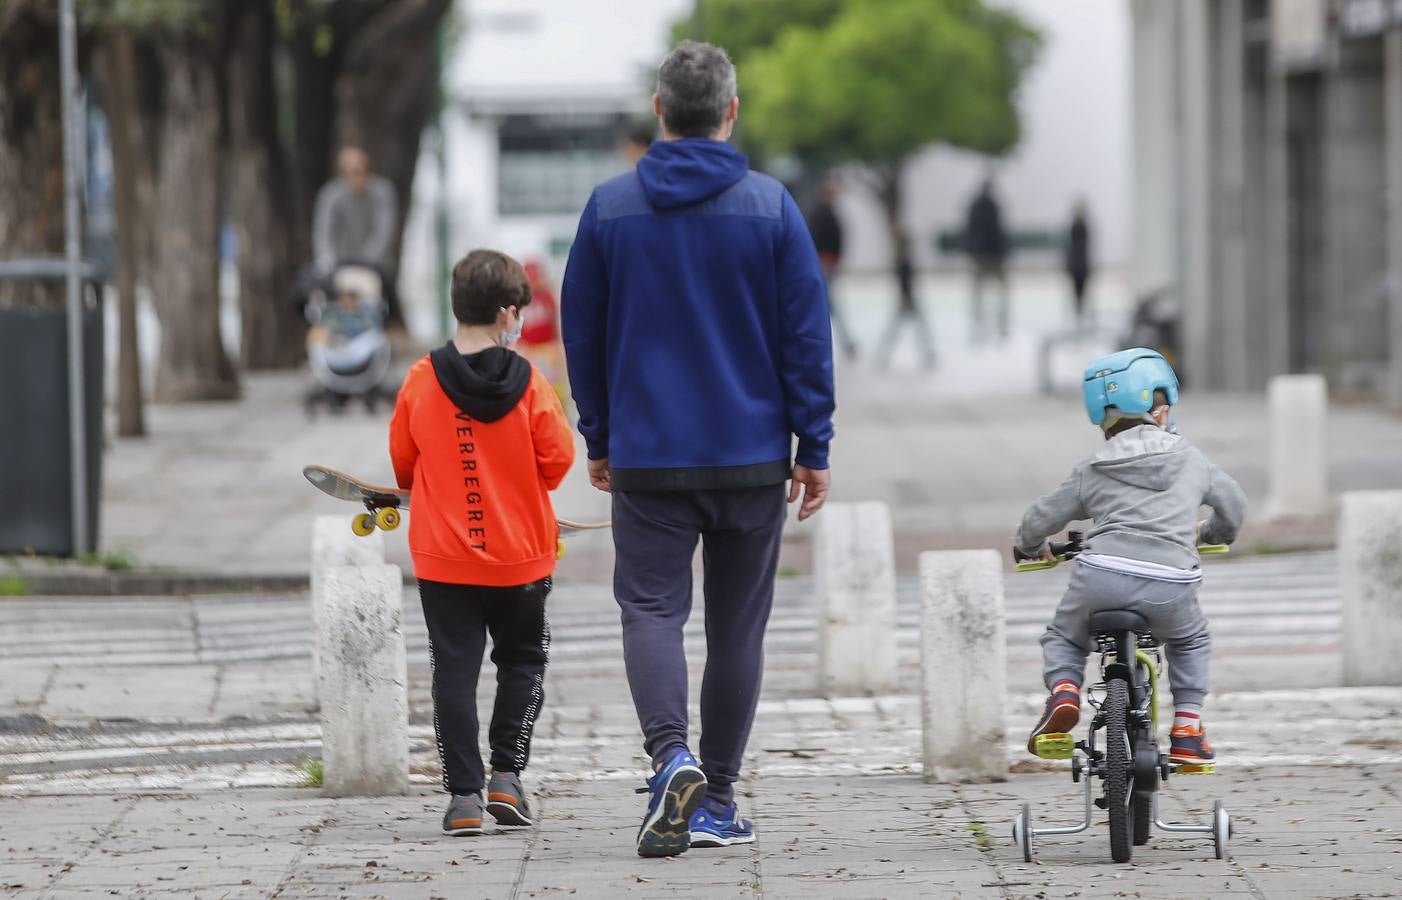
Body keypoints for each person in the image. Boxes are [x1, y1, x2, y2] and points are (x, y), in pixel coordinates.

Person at [562, 40, 835, 859]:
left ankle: (668, 756)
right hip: (753, 458)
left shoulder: (609, 209)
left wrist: (600, 436)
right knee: (736, 630)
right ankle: (714, 797)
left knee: (650, 609)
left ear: (657, 112)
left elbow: (583, 333)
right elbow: (805, 336)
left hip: (648, 454)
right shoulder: (772, 207)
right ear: (731, 111)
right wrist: (811, 443)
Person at [388, 249, 576, 837]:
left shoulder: (421, 379)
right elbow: (558, 461)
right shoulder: (532, 384)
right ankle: (507, 777)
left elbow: (402, 465)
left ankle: (464, 797)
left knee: (454, 669)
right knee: (522, 661)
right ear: (508, 312)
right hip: (522, 555)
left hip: (444, 559)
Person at [1015, 348, 1245, 766]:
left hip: (1100, 576)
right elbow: (1233, 506)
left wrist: (1032, 548)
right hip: (1171, 583)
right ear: (1159, 403)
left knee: (1065, 636)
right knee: (1190, 639)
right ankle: (1188, 730)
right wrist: (1212, 534)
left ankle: (1064, 692)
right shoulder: (1192, 459)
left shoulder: (1092, 469)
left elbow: (1039, 518)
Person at [312, 146, 401, 324]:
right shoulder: (331, 196)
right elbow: (323, 233)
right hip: (338, 266)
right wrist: (328, 262)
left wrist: (367, 262)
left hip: (372, 266)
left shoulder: (382, 192)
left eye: (361, 171)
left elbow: (383, 232)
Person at [806, 176, 858, 360]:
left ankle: (844, 342)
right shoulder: (822, 212)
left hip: (828, 262)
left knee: (829, 305)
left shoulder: (826, 211)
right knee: (827, 305)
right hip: (825, 262)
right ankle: (844, 342)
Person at [875, 227, 937, 369]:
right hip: (908, 298)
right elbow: (904, 281)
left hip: (909, 298)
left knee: (905, 327)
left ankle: (927, 351)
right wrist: (905, 296)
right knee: (907, 327)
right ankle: (926, 351)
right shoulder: (903, 262)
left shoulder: (903, 260)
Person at [963, 178, 1009, 342]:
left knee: (979, 293)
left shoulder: (975, 206)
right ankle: (1000, 325)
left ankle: (979, 323)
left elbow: (969, 229)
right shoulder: (993, 206)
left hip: (980, 255)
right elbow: (998, 230)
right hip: (993, 255)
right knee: (1000, 291)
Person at [1066, 201, 1092, 326]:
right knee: (1077, 292)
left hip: (1080, 265)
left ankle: (1080, 314)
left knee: (1081, 292)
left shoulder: (1081, 227)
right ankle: (1078, 314)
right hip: (1078, 265)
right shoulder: (1076, 227)